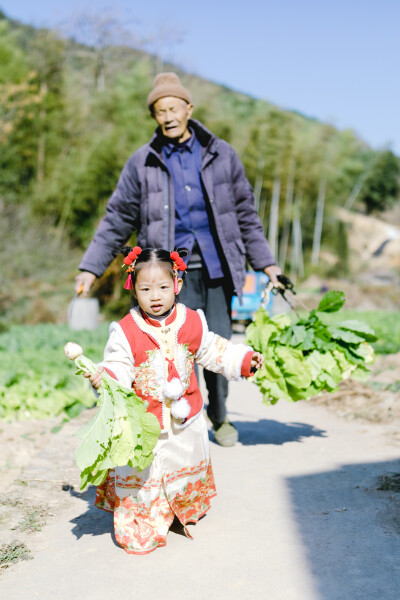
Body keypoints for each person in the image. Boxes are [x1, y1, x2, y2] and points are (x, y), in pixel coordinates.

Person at [76, 72, 281, 446]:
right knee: (171, 351)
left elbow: (246, 215)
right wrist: (90, 268)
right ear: (153, 116)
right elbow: (118, 218)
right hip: (166, 277)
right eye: (159, 110)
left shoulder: (221, 155)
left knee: (215, 343)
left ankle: (220, 417)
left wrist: (268, 265)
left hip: (217, 268)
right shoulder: (142, 162)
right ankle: (176, 423)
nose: (168, 116)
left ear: (189, 108)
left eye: (173, 107)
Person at [86, 246, 263, 555]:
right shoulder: (126, 330)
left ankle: (179, 507)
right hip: (145, 423)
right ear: (133, 289)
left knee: (184, 463)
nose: (155, 296)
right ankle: (146, 513)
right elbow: (118, 364)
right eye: (146, 289)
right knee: (147, 474)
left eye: (163, 287)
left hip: (185, 420)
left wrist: (243, 359)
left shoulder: (192, 321)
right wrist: (107, 377)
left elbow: (212, 350)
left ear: (177, 285)